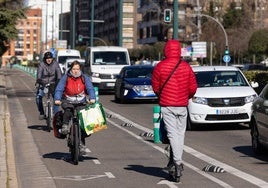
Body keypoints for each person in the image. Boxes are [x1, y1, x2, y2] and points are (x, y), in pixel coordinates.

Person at [151, 39, 197, 182]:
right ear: (179, 51)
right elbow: (193, 88)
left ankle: (177, 162)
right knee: (179, 134)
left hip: (167, 105)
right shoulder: (186, 67)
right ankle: (177, 161)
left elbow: (155, 87)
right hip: (182, 106)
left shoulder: (160, 66)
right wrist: (185, 96)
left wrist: (162, 95)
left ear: (166, 50)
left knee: (172, 134)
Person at [54, 60, 96, 154]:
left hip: (81, 102)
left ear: (80, 69)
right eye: (74, 69)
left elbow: (90, 88)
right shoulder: (66, 78)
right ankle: (65, 126)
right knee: (68, 111)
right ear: (71, 69)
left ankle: (82, 145)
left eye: (77, 69)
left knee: (82, 122)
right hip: (68, 100)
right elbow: (59, 89)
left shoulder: (84, 78)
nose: (75, 71)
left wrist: (92, 98)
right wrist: (57, 99)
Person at [36, 51, 62, 120]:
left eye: (50, 58)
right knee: (38, 97)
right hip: (43, 83)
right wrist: (39, 80)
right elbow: (39, 73)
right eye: (47, 58)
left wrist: (59, 80)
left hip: (53, 83)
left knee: (56, 98)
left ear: (52, 58)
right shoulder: (41, 64)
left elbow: (59, 73)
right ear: (45, 59)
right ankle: (41, 112)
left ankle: (55, 114)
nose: (49, 59)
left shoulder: (55, 64)